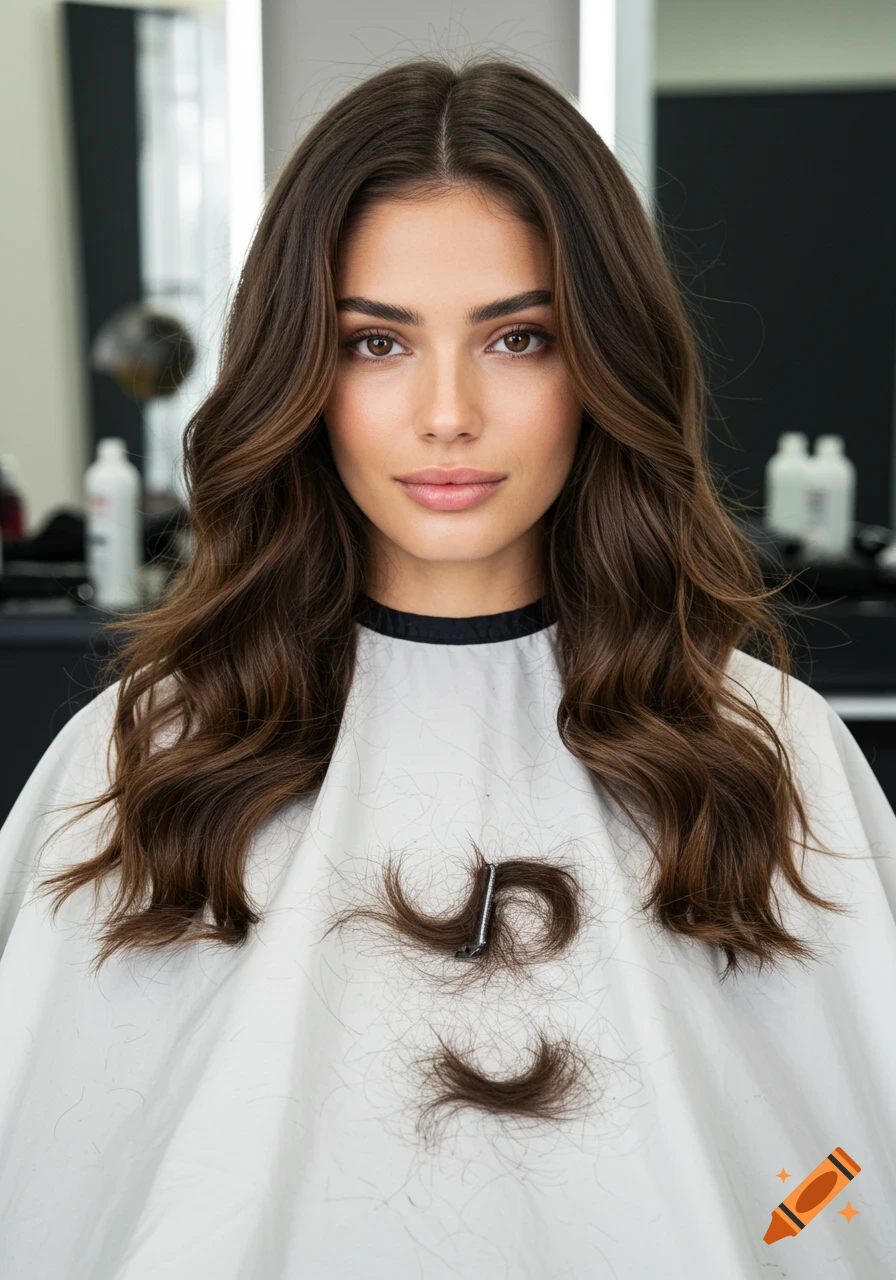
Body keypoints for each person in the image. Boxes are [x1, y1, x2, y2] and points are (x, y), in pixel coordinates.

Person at [1, 54, 895, 1280]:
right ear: (301, 375)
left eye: (518, 337)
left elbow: (837, 1180)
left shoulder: (767, 752)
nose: (446, 411)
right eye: (376, 343)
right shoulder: (146, 757)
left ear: (600, 365)